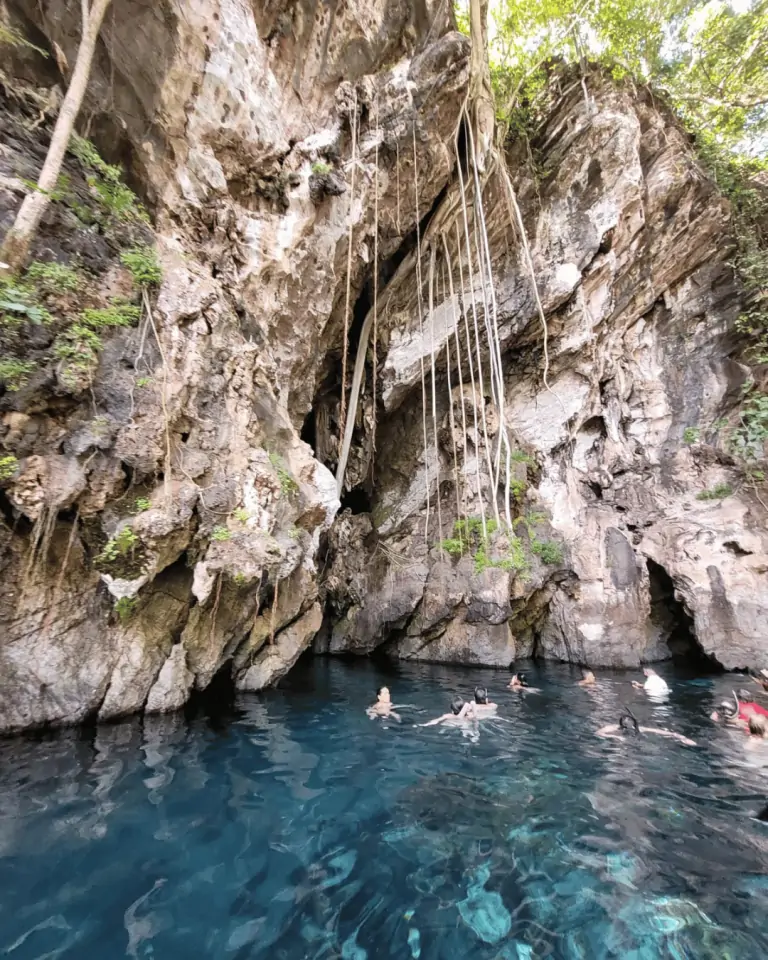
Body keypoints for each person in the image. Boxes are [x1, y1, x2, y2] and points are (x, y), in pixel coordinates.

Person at [596, 712, 696, 745]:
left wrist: (676, 735)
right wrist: (616, 737)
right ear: (622, 725)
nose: (630, 727)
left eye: (632, 725)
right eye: (627, 726)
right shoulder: (613, 728)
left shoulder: (639, 729)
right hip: (619, 742)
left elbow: (656, 731)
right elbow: (598, 733)